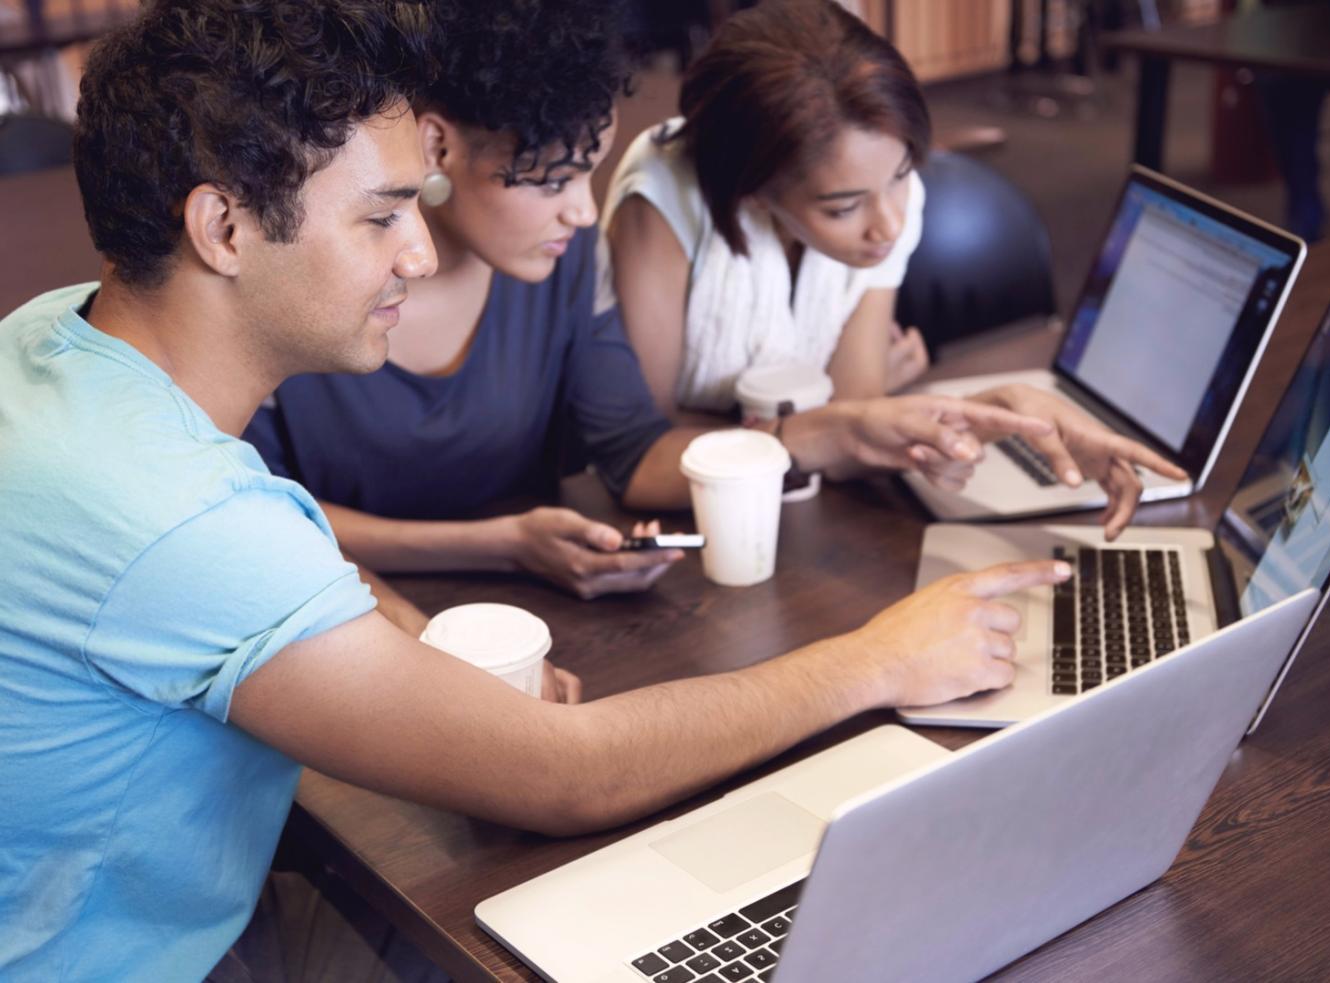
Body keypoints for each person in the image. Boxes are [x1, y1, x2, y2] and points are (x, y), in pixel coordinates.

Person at [0, 1, 1070, 977]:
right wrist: (878, 657)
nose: (419, 252)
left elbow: (276, 550)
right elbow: (565, 774)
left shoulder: (55, 336)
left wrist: (415, 639)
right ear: (223, 229)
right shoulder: (188, 523)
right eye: (380, 216)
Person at [243, 0, 1068, 614]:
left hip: (532, 612)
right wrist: (494, 543)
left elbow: (635, 452)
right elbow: (252, 514)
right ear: (436, 148)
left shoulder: (556, 267)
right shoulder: (302, 281)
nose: (583, 210)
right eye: (554, 179)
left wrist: (849, 428)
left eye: (587, 174)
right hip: (333, 617)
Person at [605, 0, 1187, 536]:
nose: (889, 225)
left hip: (795, 508)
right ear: (752, 191)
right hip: (695, 523)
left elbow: (855, 408)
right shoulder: (663, 200)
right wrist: (849, 416)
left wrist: (997, 413)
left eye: (904, 174)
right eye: (843, 207)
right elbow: (645, 444)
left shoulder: (886, 204)